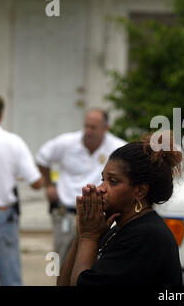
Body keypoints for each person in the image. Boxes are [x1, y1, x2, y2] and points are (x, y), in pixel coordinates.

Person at [57, 131, 183, 286]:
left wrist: (89, 237)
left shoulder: (147, 237)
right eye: (103, 179)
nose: (100, 188)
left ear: (139, 191)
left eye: (113, 181)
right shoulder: (115, 230)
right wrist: (83, 234)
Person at [35, 109, 126, 264]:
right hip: (67, 214)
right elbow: (42, 157)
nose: (88, 131)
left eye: (93, 127)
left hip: (100, 216)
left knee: (96, 261)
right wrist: (49, 185)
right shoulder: (67, 142)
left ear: (105, 128)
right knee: (63, 260)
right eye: (86, 126)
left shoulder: (118, 147)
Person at [0, 93, 43, 286]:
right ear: (0, 115)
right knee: (10, 276)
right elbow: (36, 183)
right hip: (3, 215)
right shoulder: (13, 142)